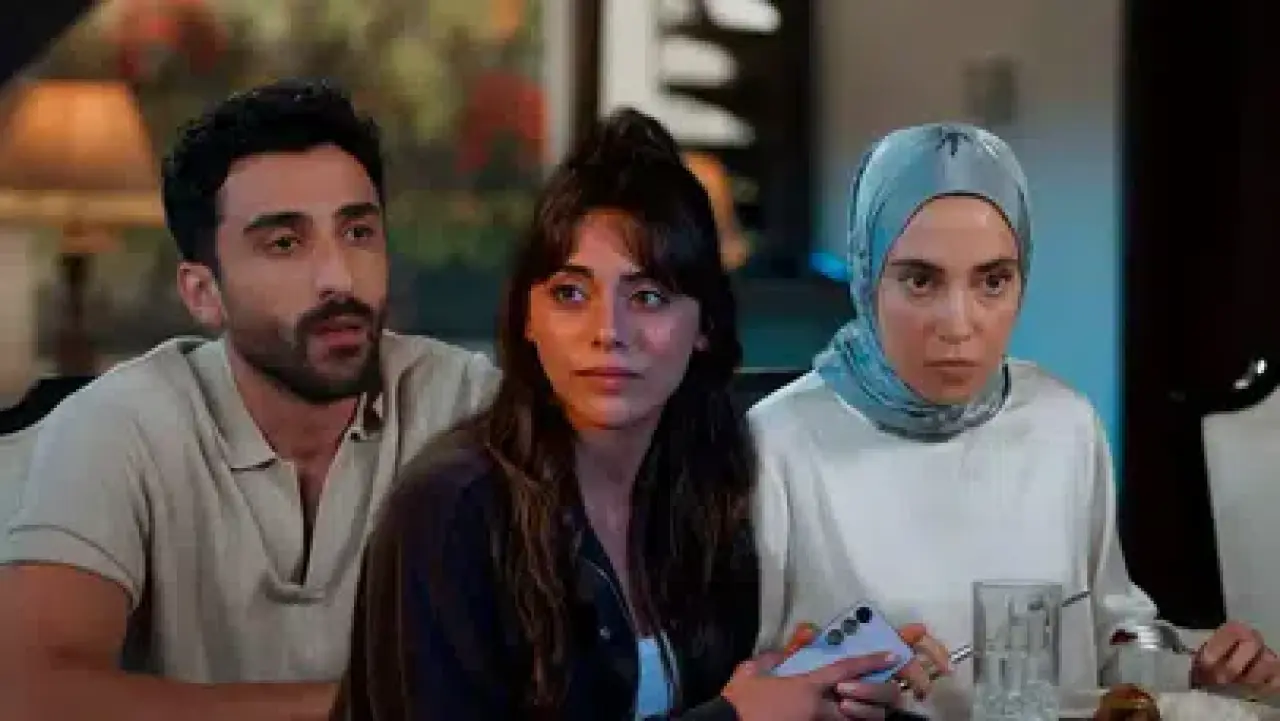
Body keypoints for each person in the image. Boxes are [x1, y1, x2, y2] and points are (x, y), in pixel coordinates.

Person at [333, 108, 910, 721]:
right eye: (571, 294)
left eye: (648, 297)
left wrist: (814, 683)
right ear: (528, 317)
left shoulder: (712, 492)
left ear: (705, 325)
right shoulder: (450, 511)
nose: (608, 331)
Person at [0, 79, 498, 721]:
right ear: (203, 293)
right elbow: (33, 696)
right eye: (284, 243)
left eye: (358, 232)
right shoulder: (122, 424)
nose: (339, 279)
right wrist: (376, 706)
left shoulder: (465, 405)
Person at [748, 123, 1280, 718]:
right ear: (867, 276)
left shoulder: (1063, 422)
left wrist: (1197, 666)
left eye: (993, 281)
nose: (958, 324)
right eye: (920, 281)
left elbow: (1110, 641)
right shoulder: (777, 442)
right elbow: (740, 687)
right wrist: (838, 679)